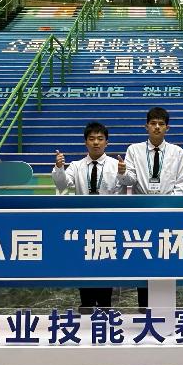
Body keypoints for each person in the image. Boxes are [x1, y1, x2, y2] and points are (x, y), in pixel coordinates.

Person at [117, 106, 183, 308]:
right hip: (142, 212)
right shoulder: (134, 150)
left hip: (167, 213)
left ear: (167, 128)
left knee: (166, 257)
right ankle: (144, 307)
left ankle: (164, 307)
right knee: (145, 256)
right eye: (153, 123)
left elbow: (181, 184)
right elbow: (129, 181)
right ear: (146, 126)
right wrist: (122, 172)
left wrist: (168, 207)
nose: (157, 127)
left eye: (161, 124)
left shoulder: (177, 152)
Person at [52, 121, 123, 311]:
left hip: (108, 223)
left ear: (106, 142)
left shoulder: (115, 165)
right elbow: (62, 185)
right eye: (92, 139)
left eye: (100, 139)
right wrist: (59, 168)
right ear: (86, 142)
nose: (96, 142)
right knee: (84, 263)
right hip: (83, 222)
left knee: (105, 263)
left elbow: (121, 191)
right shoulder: (76, 166)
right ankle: (86, 304)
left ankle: (106, 305)